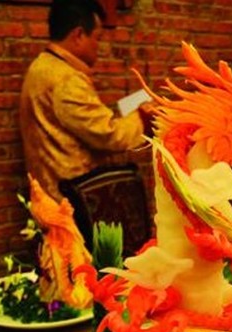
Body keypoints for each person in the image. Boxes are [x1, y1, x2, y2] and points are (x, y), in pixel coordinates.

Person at [19, 0, 151, 203]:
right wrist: (145, 117)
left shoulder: (41, 66)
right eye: (97, 38)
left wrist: (124, 112)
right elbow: (108, 135)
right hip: (71, 202)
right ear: (79, 35)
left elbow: (84, 123)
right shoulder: (66, 79)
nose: (99, 47)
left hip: (50, 196)